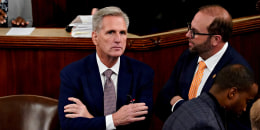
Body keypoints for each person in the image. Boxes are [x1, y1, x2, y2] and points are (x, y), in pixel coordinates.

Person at [155, 4, 253, 129]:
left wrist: (180, 105)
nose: (187, 35)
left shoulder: (238, 75)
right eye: (189, 27)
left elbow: (228, 125)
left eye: (194, 32)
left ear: (215, 40)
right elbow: (162, 101)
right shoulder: (189, 56)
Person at [58, 6, 154, 130]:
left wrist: (91, 119)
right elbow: (68, 125)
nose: (118, 39)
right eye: (110, 32)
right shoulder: (72, 74)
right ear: (95, 37)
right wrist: (115, 120)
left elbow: (141, 125)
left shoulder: (143, 73)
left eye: (122, 33)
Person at [163, 64, 259, 130]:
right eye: (247, 101)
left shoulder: (190, 106)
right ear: (232, 93)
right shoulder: (206, 125)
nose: (245, 108)